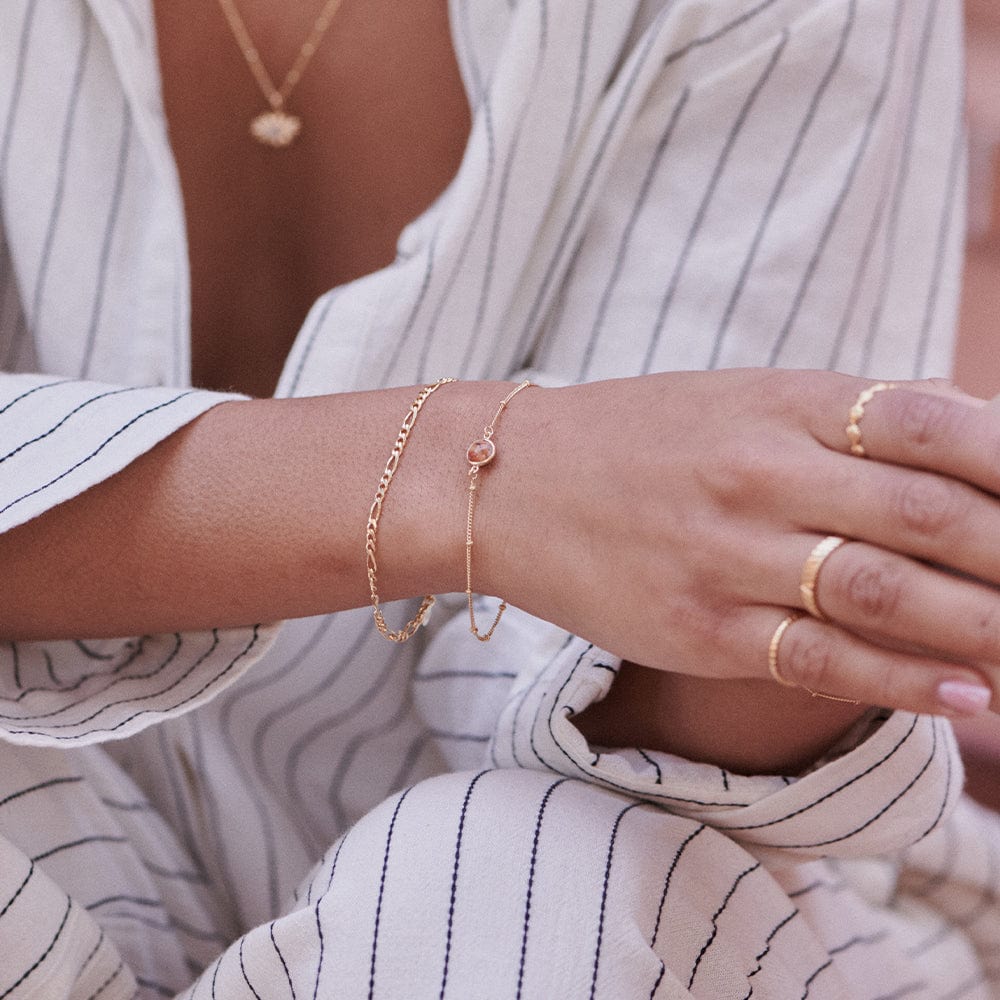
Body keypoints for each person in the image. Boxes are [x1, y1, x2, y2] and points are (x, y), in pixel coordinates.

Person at [0, 0, 998, 996]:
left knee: (532, 876)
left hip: (611, 901)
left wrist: (814, 586)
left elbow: (660, 717)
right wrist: (471, 476)